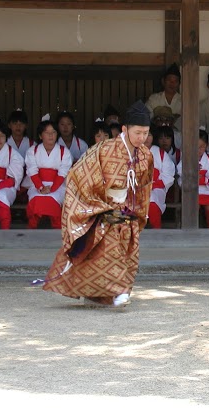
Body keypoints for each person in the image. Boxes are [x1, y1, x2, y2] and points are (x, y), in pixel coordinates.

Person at [42, 101, 154, 307]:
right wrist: (99, 206)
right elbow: (79, 175)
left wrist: (137, 209)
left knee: (130, 252)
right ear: (124, 129)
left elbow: (144, 186)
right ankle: (120, 291)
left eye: (145, 133)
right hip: (103, 208)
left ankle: (108, 293)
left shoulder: (146, 155)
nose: (142, 138)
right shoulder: (104, 149)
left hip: (128, 209)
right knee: (109, 252)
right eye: (138, 132)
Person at [25, 116, 73, 229]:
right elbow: (32, 170)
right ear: (40, 136)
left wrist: (52, 189)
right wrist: (41, 187)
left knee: (53, 199)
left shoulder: (64, 152)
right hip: (36, 185)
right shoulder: (32, 151)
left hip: (58, 186)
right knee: (36, 198)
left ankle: (57, 226)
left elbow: (63, 172)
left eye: (53, 132)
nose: (51, 135)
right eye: (47, 132)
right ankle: (32, 226)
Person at [177, 128, 209, 228]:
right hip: (191, 190)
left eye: (201, 147)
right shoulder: (187, 158)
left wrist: (205, 180)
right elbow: (180, 170)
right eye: (195, 147)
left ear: (206, 146)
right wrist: (192, 175)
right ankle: (190, 228)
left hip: (207, 191)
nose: (198, 150)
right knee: (193, 207)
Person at [148, 132, 176, 229]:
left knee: (152, 199)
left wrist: (153, 185)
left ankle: (156, 230)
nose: (146, 138)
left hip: (156, 187)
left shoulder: (160, 153)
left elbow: (168, 174)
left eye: (149, 135)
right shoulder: (131, 151)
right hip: (135, 188)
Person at [145, 63, 182, 128]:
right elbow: (146, 117)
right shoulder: (154, 99)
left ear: (179, 84)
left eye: (175, 81)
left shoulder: (183, 101)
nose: (172, 84)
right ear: (163, 81)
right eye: (169, 80)